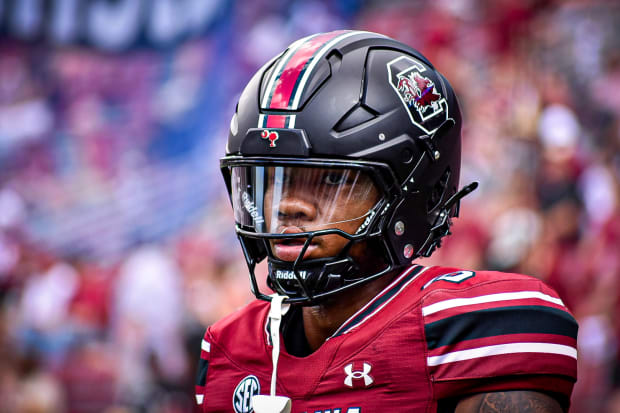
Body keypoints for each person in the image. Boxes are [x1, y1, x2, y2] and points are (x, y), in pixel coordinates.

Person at [195, 30, 578, 413]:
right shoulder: (230, 349)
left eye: (331, 180)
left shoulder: (467, 330)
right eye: (276, 178)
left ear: (411, 191)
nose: (288, 206)